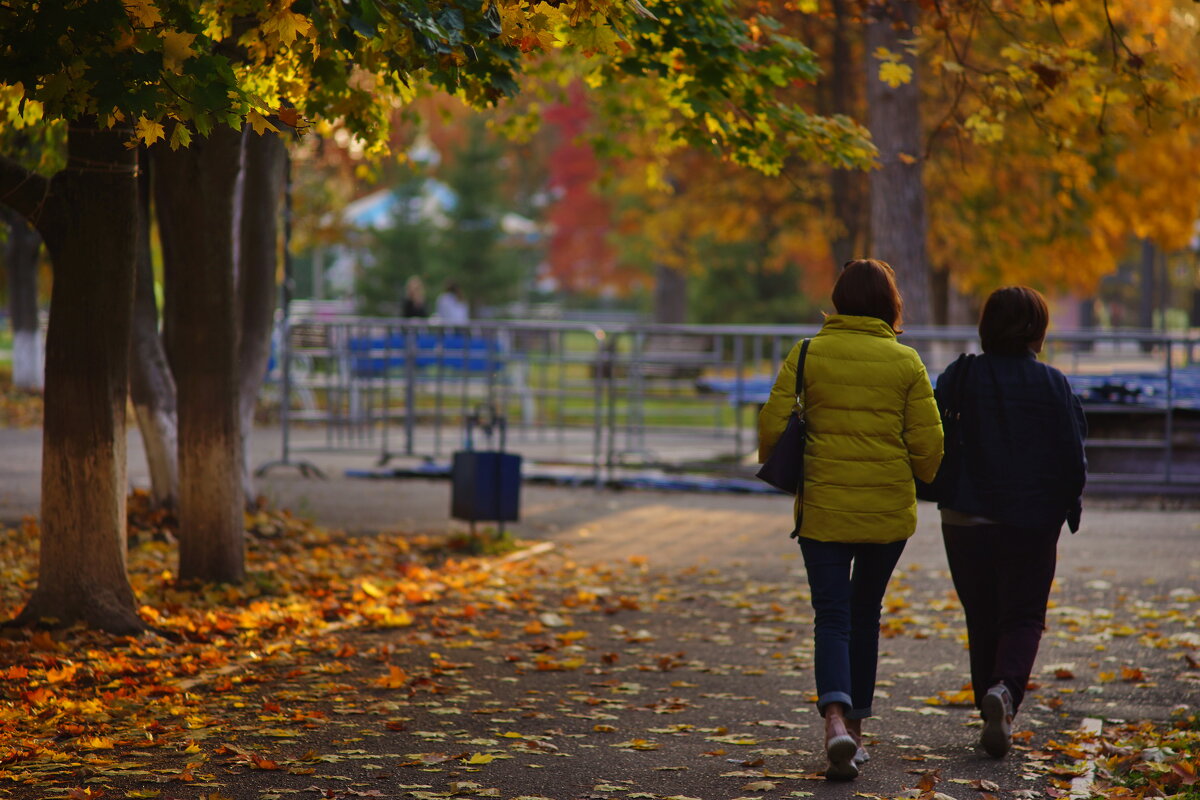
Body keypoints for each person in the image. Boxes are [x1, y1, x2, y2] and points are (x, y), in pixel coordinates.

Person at [758, 259, 943, 780]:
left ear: (838, 300)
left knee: (832, 615)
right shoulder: (906, 363)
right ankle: (857, 734)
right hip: (886, 512)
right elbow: (928, 448)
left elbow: (773, 426)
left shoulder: (808, 353)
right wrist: (918, 473)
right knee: (866, 613)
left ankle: (835, 722)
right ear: (891, 304)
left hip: (822, 511)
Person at [929, 286, 1087, 758]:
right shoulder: (1054, 384)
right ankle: (1005, 695)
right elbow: (1072, 457)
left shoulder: (960, 375)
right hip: (1031, 518)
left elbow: (931, 435)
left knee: (981, 616)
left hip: (964, 515)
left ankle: (990, 705)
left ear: (986, 328)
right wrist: (1067, 507)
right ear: (1036, 332)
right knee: (1022, 615)